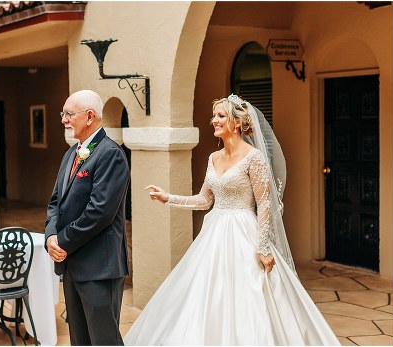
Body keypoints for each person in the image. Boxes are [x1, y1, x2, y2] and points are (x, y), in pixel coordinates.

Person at [123, 94, 339, 345]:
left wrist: (263, 246)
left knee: (249, 297)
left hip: (243, 234)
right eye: (214, 115)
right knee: (205, 295)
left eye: (220, 116)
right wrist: (168, 198)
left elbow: (265, 203)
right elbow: (205, 201)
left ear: (236, 123)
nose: (213, 120)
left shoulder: (254, 157)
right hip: (213, 234)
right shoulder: (213, 158)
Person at [44, 90, 130, 345]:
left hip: (99, 266)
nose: (64, 120)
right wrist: (50, 237)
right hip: (72, 265)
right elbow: (55, 203)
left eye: (69, 114)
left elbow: (99, 212)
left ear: (90, 116)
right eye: (64, 114)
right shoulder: (71, 153)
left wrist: (63, 242)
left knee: (104, 340)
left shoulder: (110, 154)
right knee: (79, 339)